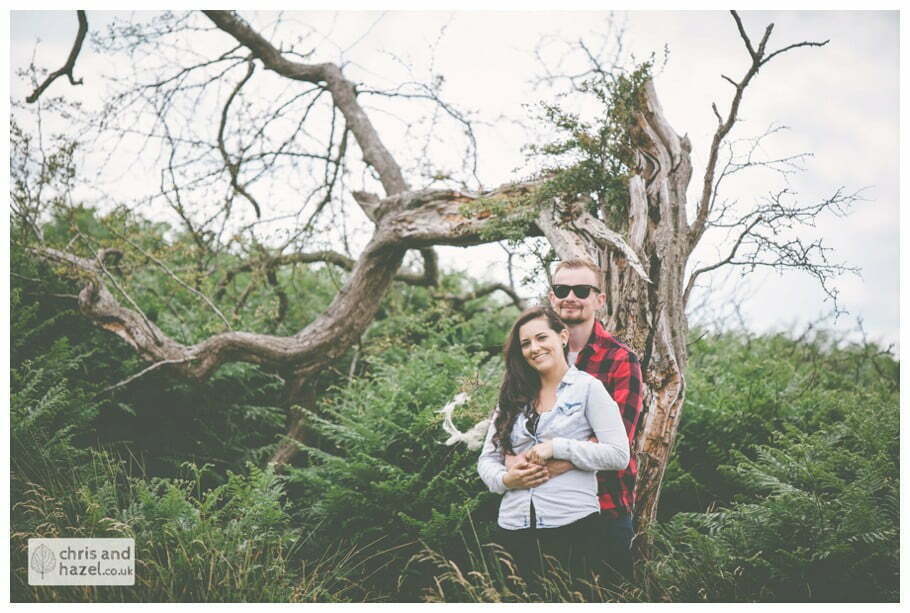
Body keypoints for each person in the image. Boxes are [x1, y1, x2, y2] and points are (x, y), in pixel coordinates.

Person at [477, 306, 630, 581]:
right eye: (526, 343)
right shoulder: (512, 396)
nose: (534, 348)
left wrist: (558, 447)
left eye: (541, 338)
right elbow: (488, 458)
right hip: (512, 528)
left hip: (573, 526)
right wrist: (506, 480)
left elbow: (619, 454)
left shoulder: (588, 388)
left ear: (562, 336)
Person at [521, 258, 644, 582]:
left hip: (605, 507)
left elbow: (617, 441)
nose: (571, 297)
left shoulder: (620, 359)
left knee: (608, 596)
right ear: (552, 297)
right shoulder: (533, 361)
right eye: (562, 290)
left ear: (599, 300)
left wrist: (552, 463)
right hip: (543, 509)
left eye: (582, 290)